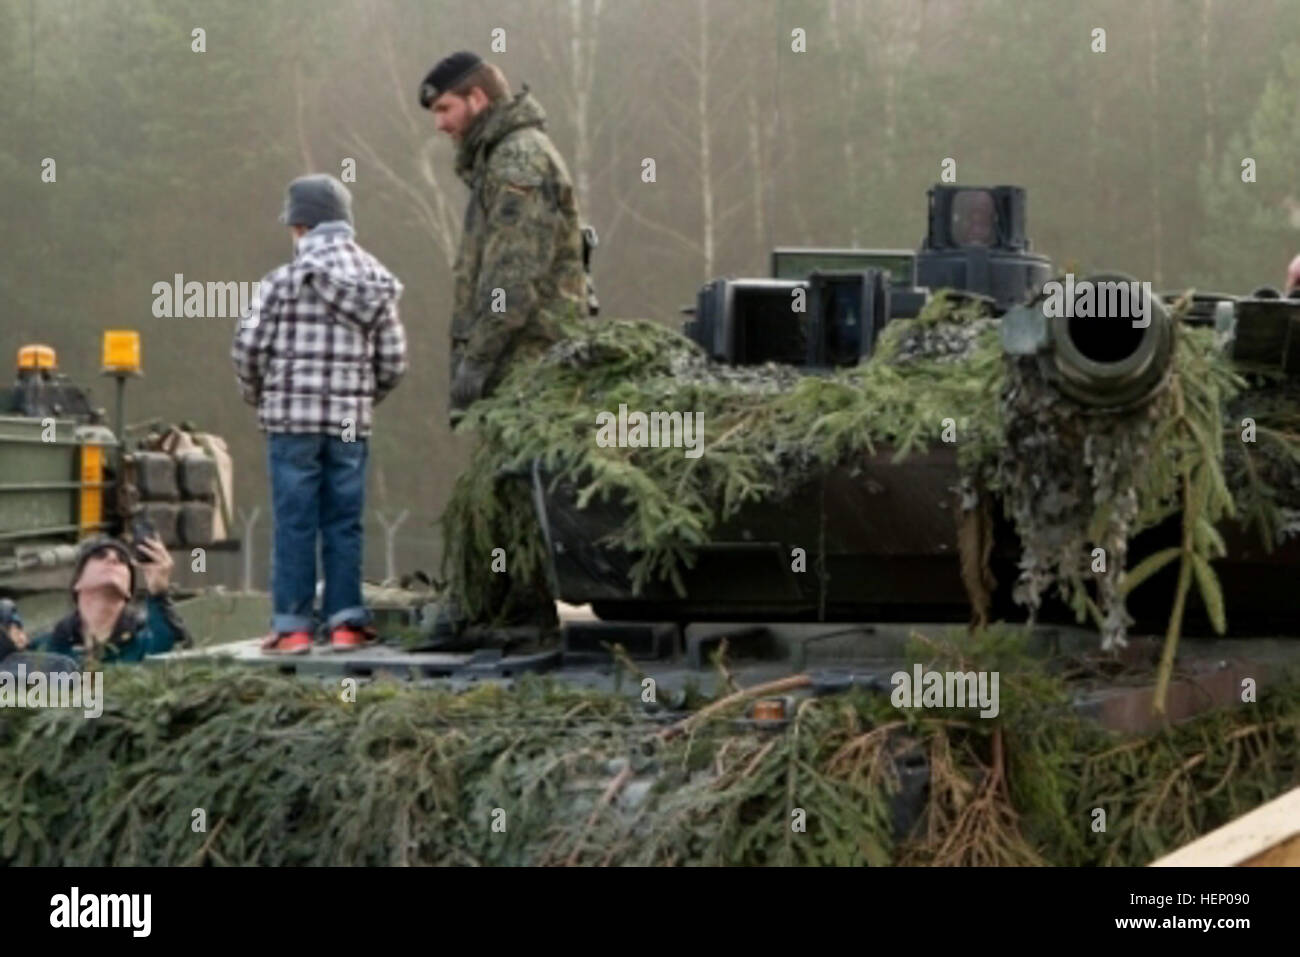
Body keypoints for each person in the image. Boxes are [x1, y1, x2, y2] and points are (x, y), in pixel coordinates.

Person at [231, 174, 408, 655]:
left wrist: (257, 395)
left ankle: (292, 629)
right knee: (344, 520)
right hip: (349, 422)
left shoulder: (281, 282)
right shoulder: (377, 284)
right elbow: (394, 361)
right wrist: (360, 398)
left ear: (300, 225)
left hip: (291, 421)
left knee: (295, 521)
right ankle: (347, 622)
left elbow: (248, 348)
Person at [419, 51, 587, 416]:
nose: (440, 124)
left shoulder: (518, 161)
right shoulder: (501, 158)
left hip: (532, 365)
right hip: (523, 361)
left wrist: (477, 360)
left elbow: (510, 275)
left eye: (445, 109)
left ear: (476, 99)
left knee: (532, 472)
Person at [29, 535, 189, 665]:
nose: (112, 559)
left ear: (127, 592)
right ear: (77, 583)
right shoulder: (48, 648)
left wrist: (159, 592)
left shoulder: (144, 642)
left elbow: (176, 648)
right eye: (100, 555)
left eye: (122, 560)